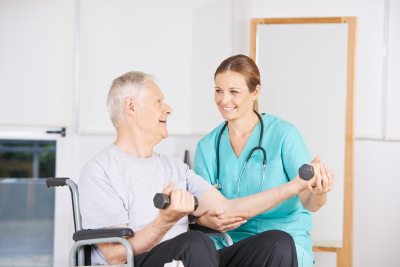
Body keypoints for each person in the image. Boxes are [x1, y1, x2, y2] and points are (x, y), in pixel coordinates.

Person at [78, 71, 330, 267]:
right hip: (142, 261)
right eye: (158, 101)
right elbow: (114, 254)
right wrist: (166, 221)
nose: (168, 108)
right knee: (195, 242)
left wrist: (294, 186)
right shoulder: (100, 171)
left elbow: (228, 209)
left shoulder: (174, 167)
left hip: (192, 258)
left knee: (278, 243)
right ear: (131, 107)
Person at [193, 55, 335, 267]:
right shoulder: (207, 147)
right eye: (218, 91)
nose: (224, 100)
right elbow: (200, 213)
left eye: (234, 92)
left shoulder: (283, 134)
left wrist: (320, 192)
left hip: (285, 238)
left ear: (255, 92)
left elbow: (310, 201)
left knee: (279, 246)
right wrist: (205, 220)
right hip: (229, 243)